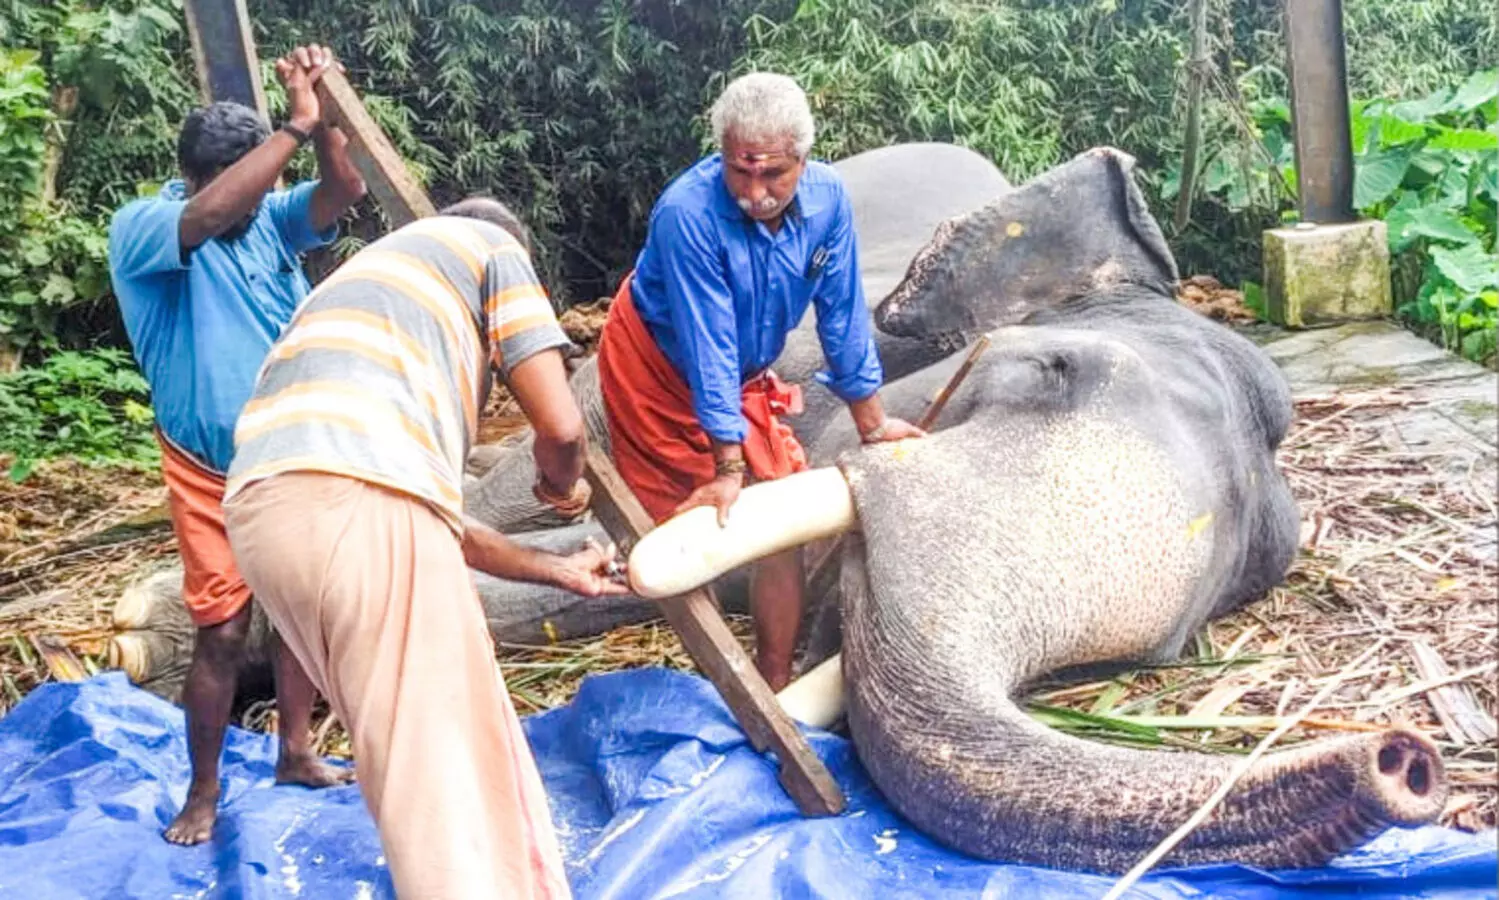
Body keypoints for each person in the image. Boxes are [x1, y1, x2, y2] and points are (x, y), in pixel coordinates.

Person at [220, 197, 625, 899]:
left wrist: (554, 567)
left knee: (400, 751)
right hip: (353, 505)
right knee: (440, 768)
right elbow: (561, 431)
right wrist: (562, 490)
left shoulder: (363, 285)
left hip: (263, 513)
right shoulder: (493, 249)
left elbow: (419, 515)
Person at [106, 44, 367, 845]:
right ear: (200, 176)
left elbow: (343, 193)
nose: (259, 203)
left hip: (286, 450)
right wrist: (288, 129)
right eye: (250, 180)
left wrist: (320, 125)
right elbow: (216, 214)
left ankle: (294, 750)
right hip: (205, 468)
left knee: (297, 611)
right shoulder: (152, 226)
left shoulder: (264, 220)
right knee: (222, 631)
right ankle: (204, 794)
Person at [596, 72, 923, 691]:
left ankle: (775, 676)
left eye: (773, 175)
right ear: (721, 155)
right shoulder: (687, 215)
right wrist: (725, 467)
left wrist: (872, 421)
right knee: (689, 527)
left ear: (803, 158)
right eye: (739, 173)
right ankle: (727, 683)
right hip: (657, 369)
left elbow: (843, 309)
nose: (754, 192)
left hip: (742, 372)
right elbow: (706, 338)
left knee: (779, 512)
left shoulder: (827, 201)